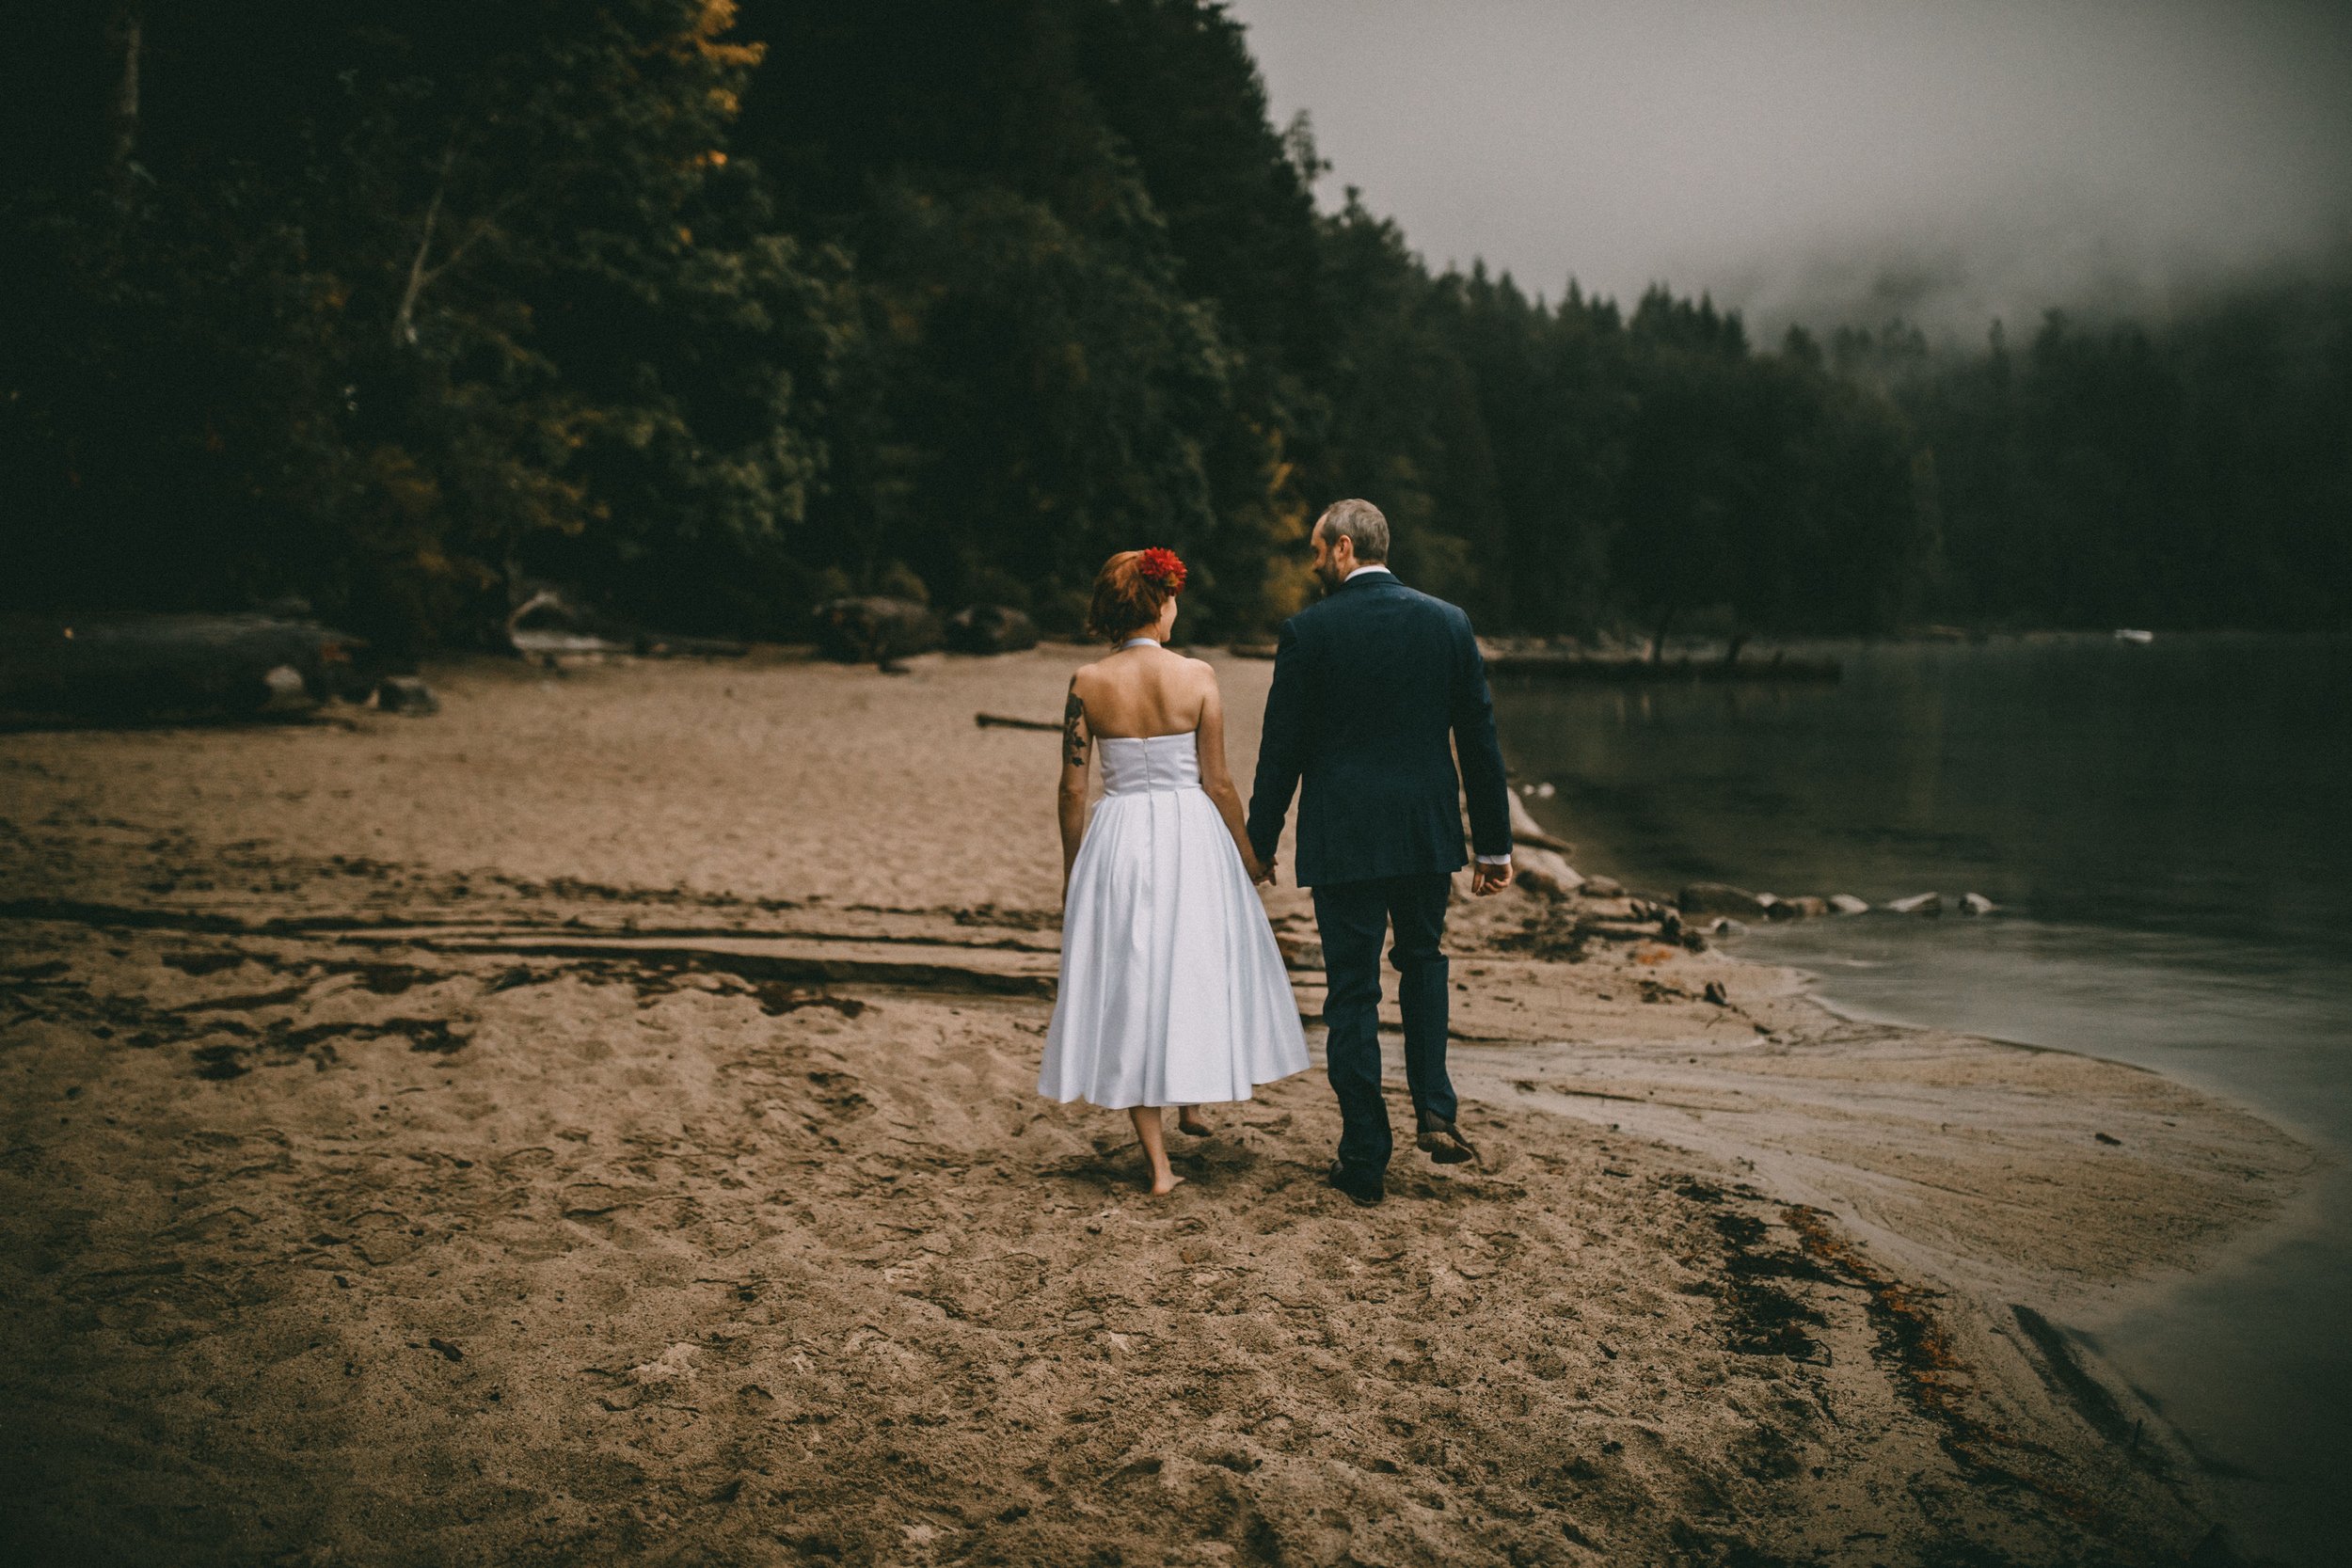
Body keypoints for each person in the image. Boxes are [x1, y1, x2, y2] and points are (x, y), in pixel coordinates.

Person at [1245, 499, 1514, 1207]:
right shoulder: (1447, 622)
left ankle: (1365, 1153)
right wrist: (1494, 843)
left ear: (1340, 548)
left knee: (1353, 991)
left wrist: (1260, 838)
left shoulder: (1309, 631)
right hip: (1426, 833)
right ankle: (1435, 1107)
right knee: (1423, 960)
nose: (1311, 564)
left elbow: (1283, 746)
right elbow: (1479, 740)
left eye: (1314, 550)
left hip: (1345, 836)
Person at [1037, 547, 1311, 1196]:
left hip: (1121, 832)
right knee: (1190, 965)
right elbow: (1217, 782)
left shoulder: (1086, 682)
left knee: (1134, 978)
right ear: (1159, 604)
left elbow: (1073, 789)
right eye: (1173, 599)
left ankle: (1159, 1163)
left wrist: (1075, 872)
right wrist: (1249, 854)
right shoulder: (1197, 676)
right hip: (1192, 835)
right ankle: (1191, 1097)